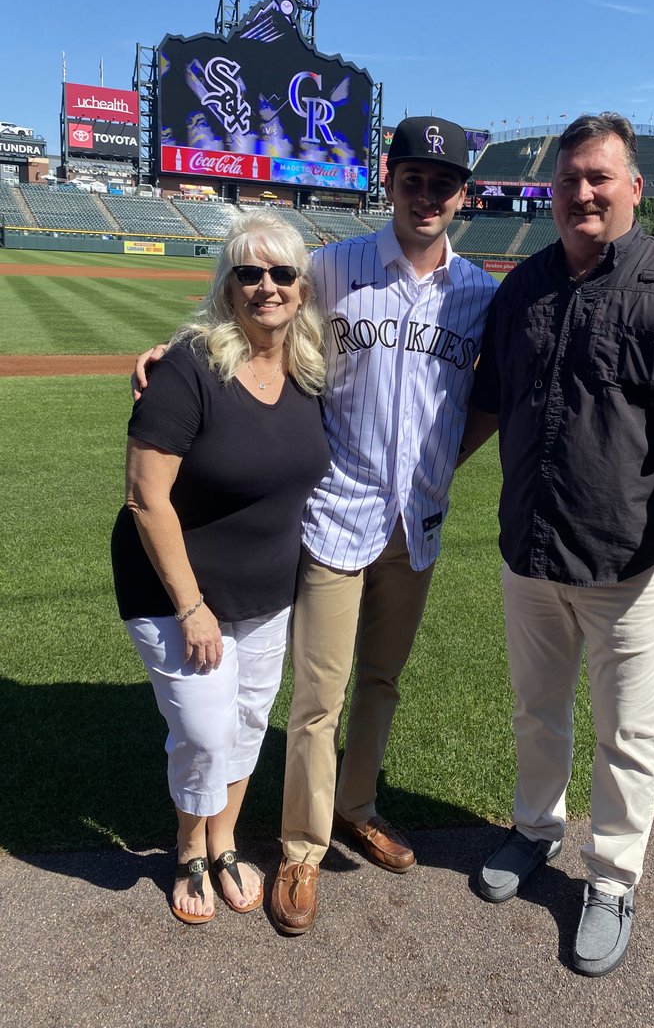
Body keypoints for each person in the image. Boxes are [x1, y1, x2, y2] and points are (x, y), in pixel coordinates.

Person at [135, 117, 497, 935]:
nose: (427, 194)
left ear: (462, 195)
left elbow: (492, 399)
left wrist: (441, 463)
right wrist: (171, 351)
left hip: (421, 521)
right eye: (413, 177)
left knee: (382, 681)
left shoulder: (480, 293)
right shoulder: (333, 268)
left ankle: (359, 806)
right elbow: (250, 308)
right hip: (337, 510)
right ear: (389, 182)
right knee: (316, 696)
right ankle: (300, 847)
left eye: (443, 182)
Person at [459, 113, 654, 977]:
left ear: (634, 187)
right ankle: (534, 831)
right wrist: (432, 471)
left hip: (635, 563)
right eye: (569, 180)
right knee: (536, 709)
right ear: (550, 192)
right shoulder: (523, 288)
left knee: (628, 732)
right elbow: (491, 401)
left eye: (600, 177)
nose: (583, 193)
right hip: (531, 550)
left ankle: (613, 878)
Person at [113, 212, 330, 925]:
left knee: (245, 721)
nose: (266, 287)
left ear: (302, 287)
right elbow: (147, 499)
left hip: (268, 588)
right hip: (178, 590)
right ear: (228, 284)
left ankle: (226, 840)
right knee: (204, 731)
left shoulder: (310, 368)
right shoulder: (190, 366)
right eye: (248, 273)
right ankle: (188, 849)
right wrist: (191, 605)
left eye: (281, 273)